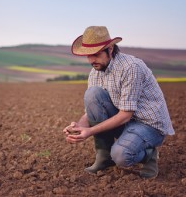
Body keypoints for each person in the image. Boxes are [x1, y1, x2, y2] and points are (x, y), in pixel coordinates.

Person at [63, 26, 174, 178]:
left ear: (110, 49)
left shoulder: (131, 67)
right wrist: (78, 127)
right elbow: (92, 110)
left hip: (149, 124)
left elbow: (125, 115)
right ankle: (104, 158)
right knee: (92, 93)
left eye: (95, 54)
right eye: (88, 56)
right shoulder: (96, 71)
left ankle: (149, 155)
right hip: (125, 120)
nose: (91, 60)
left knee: (121, 156)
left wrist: (90, 131)